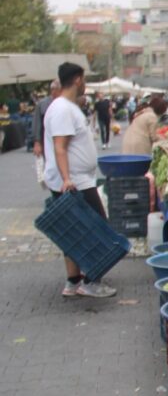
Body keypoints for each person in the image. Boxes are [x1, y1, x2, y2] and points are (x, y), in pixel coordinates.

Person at [42, 62, 117, 299]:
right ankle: (91, 281)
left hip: (76, 179)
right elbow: (60, 147)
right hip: (75, 182)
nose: (85, 84)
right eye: (84, 79)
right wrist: (66, 179)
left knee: (71, 232)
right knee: (98, 229)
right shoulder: (63, 109)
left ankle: (73, 281)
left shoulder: (67, 107)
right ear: (77, 79)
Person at [29, 79, 61, 155]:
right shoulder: (43, 104)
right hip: (46, 141)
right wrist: (37, 143)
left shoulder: (66, 103)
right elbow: (37, 124)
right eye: (53, 89)